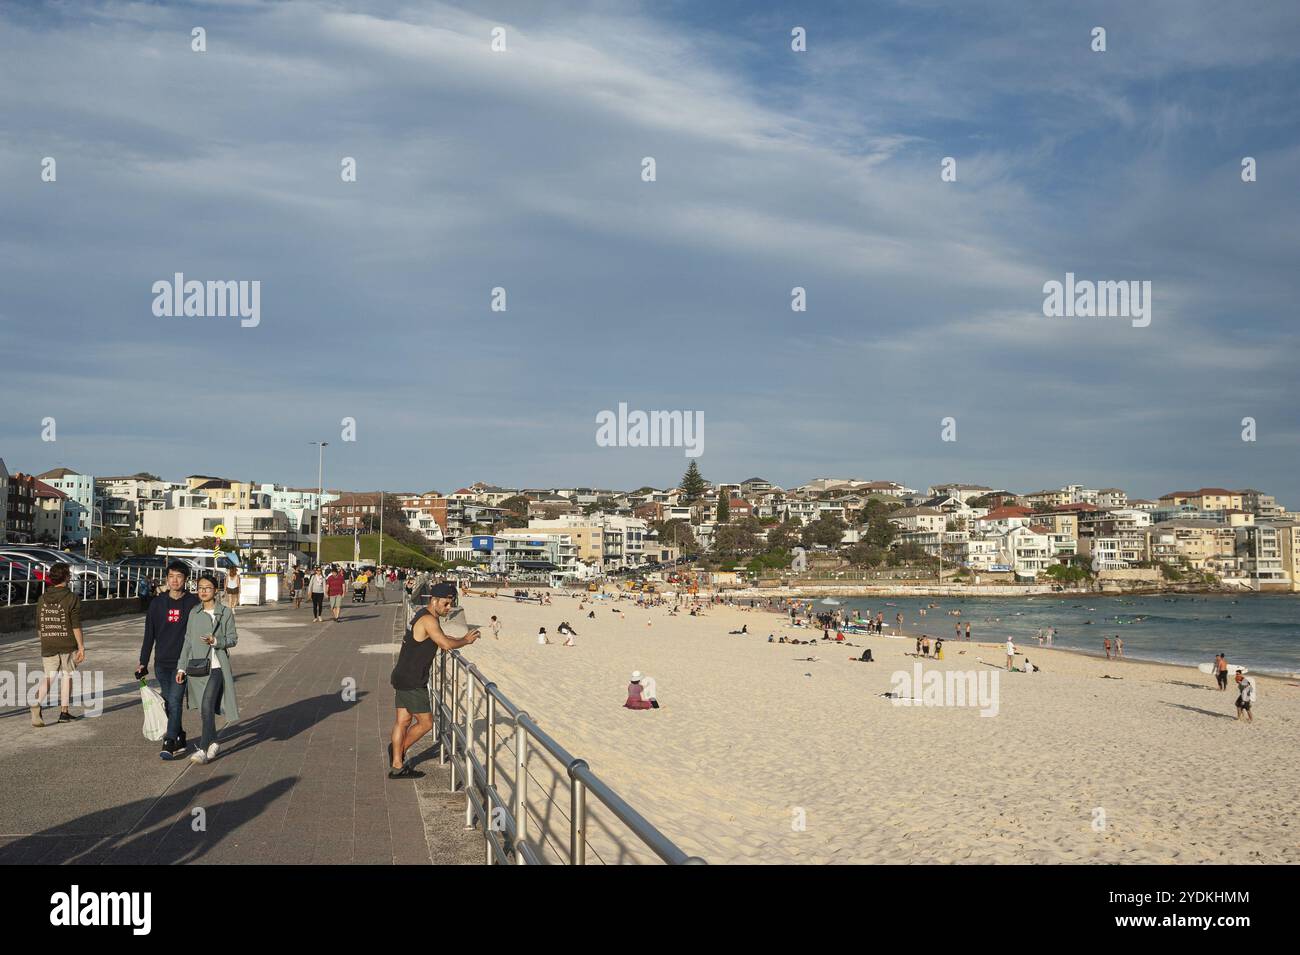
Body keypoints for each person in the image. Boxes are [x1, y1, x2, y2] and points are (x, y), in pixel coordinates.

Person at [388, 582, 480, 778]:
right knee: (426, 723)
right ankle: (397, 753)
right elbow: (445, 644)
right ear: (434, 600)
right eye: (445, 604)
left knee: (403, 721)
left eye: (451, 604)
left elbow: (439, 636)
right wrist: (465, 640)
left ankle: (397, 761)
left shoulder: (423, 616)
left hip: (402, 674)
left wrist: (458, 637)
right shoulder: (429, 620)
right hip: (413, 679)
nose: (448, 608)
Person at [136, 561, 201, 758]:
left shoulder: (192, 603)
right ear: (166, 578)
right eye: (171, 576)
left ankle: (169, 740)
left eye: (179, 577)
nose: (175, 580)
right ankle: (180, 735)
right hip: (161, 663)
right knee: (168, 701)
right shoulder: (157, 603)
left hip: (182, 664)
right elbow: (150, 635)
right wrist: (143, 661)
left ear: (186, 580)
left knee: (174, 701)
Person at [176, 575, 239, 764]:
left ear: (216, 591)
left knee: (207, 705)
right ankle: (213, 742)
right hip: (198, 668)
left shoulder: (225, 613)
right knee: (205, 709)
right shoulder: (194, 613)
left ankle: (202, 749)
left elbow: (233, 639)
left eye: (208, 588)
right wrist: (181, 668)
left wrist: (216, 641)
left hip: (217, 667)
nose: (203, 591)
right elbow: (187, 641)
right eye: (200, 587)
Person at [30, 563, 86, 727]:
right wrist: (81, 647)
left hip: (48, 642)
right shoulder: (72, 598)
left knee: (49, 676)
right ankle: (64, 711)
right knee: (67, 676)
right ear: (67, 577)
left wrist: (45, 640)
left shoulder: (42, 598)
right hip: (67, 643)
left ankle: (36, 702)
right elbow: (75, 625)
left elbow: (40, 625)